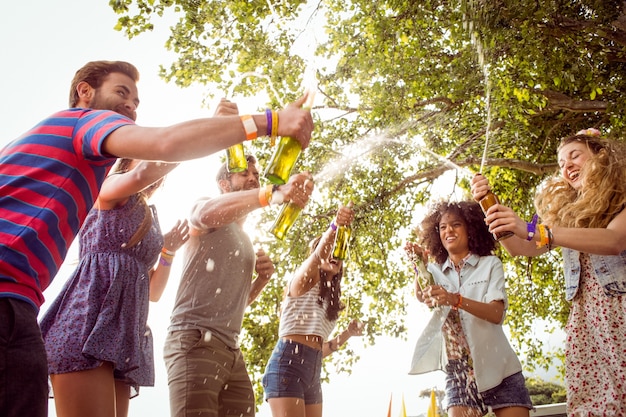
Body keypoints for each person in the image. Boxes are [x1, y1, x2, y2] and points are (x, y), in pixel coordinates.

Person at [0, 60, 313, 417]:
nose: (131, 107)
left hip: (118, 331)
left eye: (136, 101)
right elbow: (159, 155)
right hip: (86, 319)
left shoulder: (140, 210)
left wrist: (166, 252)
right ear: (84, 92)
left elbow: (152, 291)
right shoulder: (104, 180)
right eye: (122, 93)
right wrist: (259, 124)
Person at [471, 128, 626, 416]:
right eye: (561, 162)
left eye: (575, 155)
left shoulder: (623, 197)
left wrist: (532, 229)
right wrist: (488, 204)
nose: (567, 166)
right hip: (586, 317)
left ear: (602, 156)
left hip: (619, 313)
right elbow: (521, 248)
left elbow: (614, 240)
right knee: (595, 405)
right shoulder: (567, 213)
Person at [164, 147, 314, 417]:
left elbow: (235, 302)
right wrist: (273, 193)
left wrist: (262, 280)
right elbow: (202, 214)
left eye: (255, 173)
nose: (253, 177)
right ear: (224, 185)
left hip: (232, 351)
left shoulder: (245, 240)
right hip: (195, 340)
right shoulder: (209, 210)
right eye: (243, 173)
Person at [39, 157, 188, 417]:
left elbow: (152, 292)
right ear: (126, 162)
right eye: (147, 153)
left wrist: (168, 252)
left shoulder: (147, 216)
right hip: (87, 327)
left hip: (121, 341)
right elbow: (142, 173)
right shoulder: (107, 188)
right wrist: (183, 147)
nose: (155, 167)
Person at [406, 200, 532, 417]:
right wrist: (420, 264)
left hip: (501, 368)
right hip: (459, 372)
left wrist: (455, 299)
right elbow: (421, 295)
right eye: (443, 227)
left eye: (456, 224)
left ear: (470, 229)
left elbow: (496, 314)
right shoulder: (435, 271)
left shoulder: (490, 264)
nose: (449, 231)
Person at [262, 203, 364, 417]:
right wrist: (336, 225)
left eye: (339, 248)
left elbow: (321, 349)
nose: (334, 253)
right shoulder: (302, 281)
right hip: (287, 365)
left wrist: (347, 334)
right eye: (330, 248)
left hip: (312, 371)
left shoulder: (330, 298)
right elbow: (318, 256)